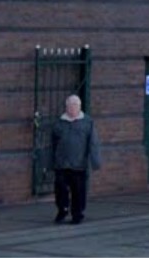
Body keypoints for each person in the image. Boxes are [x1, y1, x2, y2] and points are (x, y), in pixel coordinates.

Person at [51, 95, 100, 224]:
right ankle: (63, 209)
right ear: (66, 107)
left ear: (79, 107)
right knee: (60, 189)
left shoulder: (87, 122)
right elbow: (53, 143)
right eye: (70, 105)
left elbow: (93, 143)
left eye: (75, 105)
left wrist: (95, 161)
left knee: (78, 191)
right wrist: (52, 160)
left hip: (79, 164)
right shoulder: (59, 123)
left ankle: (77, 214)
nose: (72, 108)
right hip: (61, 163)